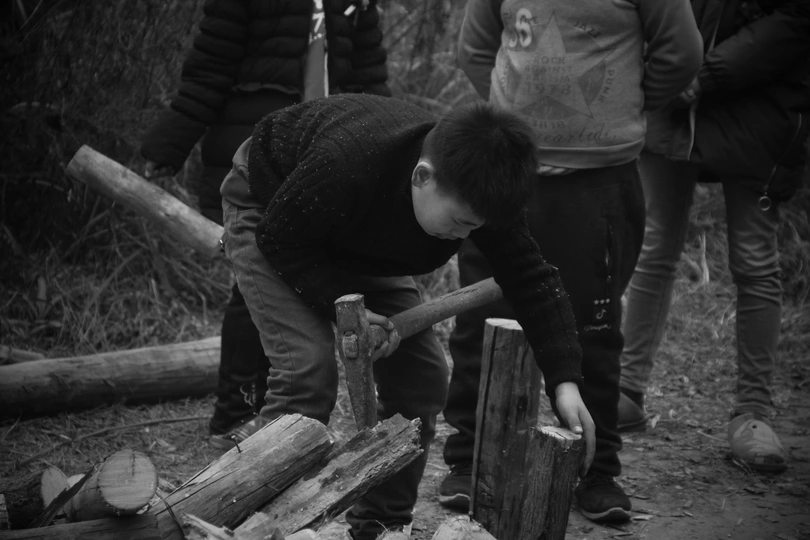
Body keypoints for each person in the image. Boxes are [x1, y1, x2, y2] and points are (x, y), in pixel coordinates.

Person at [216, 93, 596, 540]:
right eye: (460, 222)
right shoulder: (345, 163)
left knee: (422, 378)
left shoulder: (478, 191)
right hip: (271, 209)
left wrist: (565, 381)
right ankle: (247, 523)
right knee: (307, 371)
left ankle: (380, 524)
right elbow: (280, 237)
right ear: (422, 176)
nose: (466, 235)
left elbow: (533, 279)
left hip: (354, 232)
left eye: (476, 228)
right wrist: (342, 306)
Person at [438, 0, 703, 524]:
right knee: (479, 323)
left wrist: (616, 106)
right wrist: (516, 121)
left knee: (592, 327)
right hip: (505, 173)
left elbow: (681, 54)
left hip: (600, 180)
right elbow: (474, 50)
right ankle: (470, 458)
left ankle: (595, 469)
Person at [140, 0, 391, 446]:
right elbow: (211, 67)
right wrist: (168, 144)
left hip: (329, 157)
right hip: (255, 155)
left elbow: (370, 81)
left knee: (294, 275)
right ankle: (237, 412)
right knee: (252, 285)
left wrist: (387, 151)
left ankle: (277, 410)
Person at [618, 0, 810, 475]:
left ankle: (753, 413)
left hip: (760, 106)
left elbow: (795, 17)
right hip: (670, 100)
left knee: (754, 260)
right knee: (653, 246)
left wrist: (705, 75)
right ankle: (626, 390)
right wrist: (661, 68)